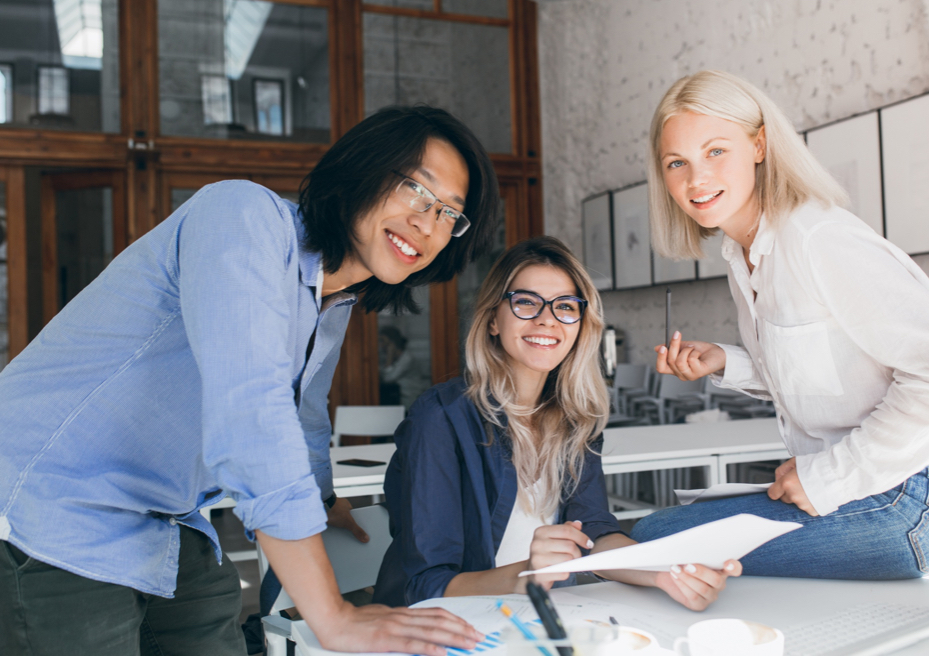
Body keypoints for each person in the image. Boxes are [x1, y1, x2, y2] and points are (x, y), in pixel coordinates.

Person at [0, 105, 502, 656]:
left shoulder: (332, 300)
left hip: (163, 518)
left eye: (449, 214)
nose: (427, 224)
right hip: (51, 505)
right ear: (363, 168)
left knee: (218, 627)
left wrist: (321, 497)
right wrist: (333, 616)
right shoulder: (241, 214)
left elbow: (305, 413)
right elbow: (252, 411)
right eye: (416, 190)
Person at [631, 70, 929, 580]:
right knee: (655, 545)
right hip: (872, 492)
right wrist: (726, 361)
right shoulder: (744, 255)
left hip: (914, 497)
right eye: (678, 163)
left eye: (716, 151)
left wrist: (827, 477)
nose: (696, 179)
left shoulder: (816, 238)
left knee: (648, 543)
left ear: (759, 145)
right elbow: (824, 373)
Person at [373, 236, 741, 609]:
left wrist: (669, 572)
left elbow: (596, 532)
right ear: (492, 321)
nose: (547, 319)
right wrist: (528, 573)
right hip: (452, 628)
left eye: (565, 306)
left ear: (581, 325)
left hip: (541, 618)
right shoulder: (441, 418)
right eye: (526, 303)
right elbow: (426, 585)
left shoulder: (575, 418)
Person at [378, 326, 427, 409]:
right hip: (398, 401)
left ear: (392, 343)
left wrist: (389, 355)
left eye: (383, 341)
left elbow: (388, 378)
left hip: (410, 402)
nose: (381, 345)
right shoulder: (393, 359)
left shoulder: (407, 358)